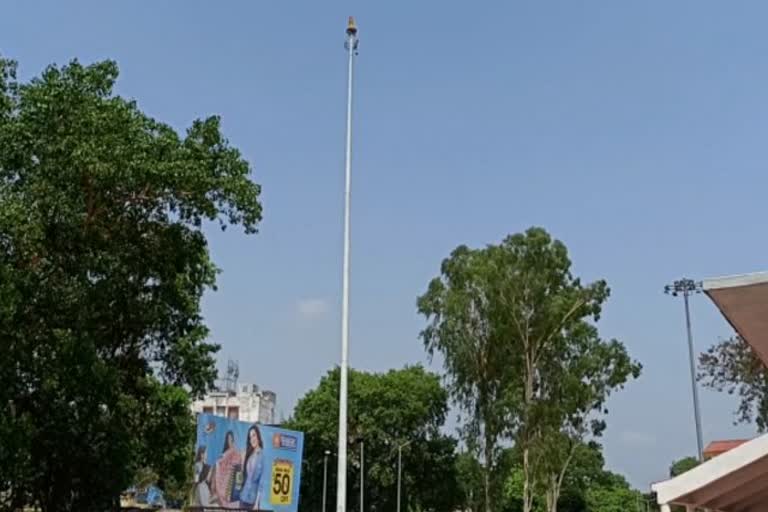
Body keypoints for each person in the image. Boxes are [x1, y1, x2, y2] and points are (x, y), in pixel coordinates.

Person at [213, 430, 242, 508]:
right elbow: (219, 462)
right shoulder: (226, 452)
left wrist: (231, 465)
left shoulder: (235, 451)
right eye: (228, 439)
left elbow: (238, 463)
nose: (229, 441)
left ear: (233, 439)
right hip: (224, 478)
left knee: (230, 499)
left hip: (232, 478)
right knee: (223, 499)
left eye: (231, 439)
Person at [239, 425, 264, 510]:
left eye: (254, 435)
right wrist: (242, 461)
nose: (252, 439)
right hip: (243, 497)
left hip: (252, 501)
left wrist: (257, 503)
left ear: (258, 436)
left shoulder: (262, 455)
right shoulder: (249, 455)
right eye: (250, 437)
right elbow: (244, 475)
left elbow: (261, 482)